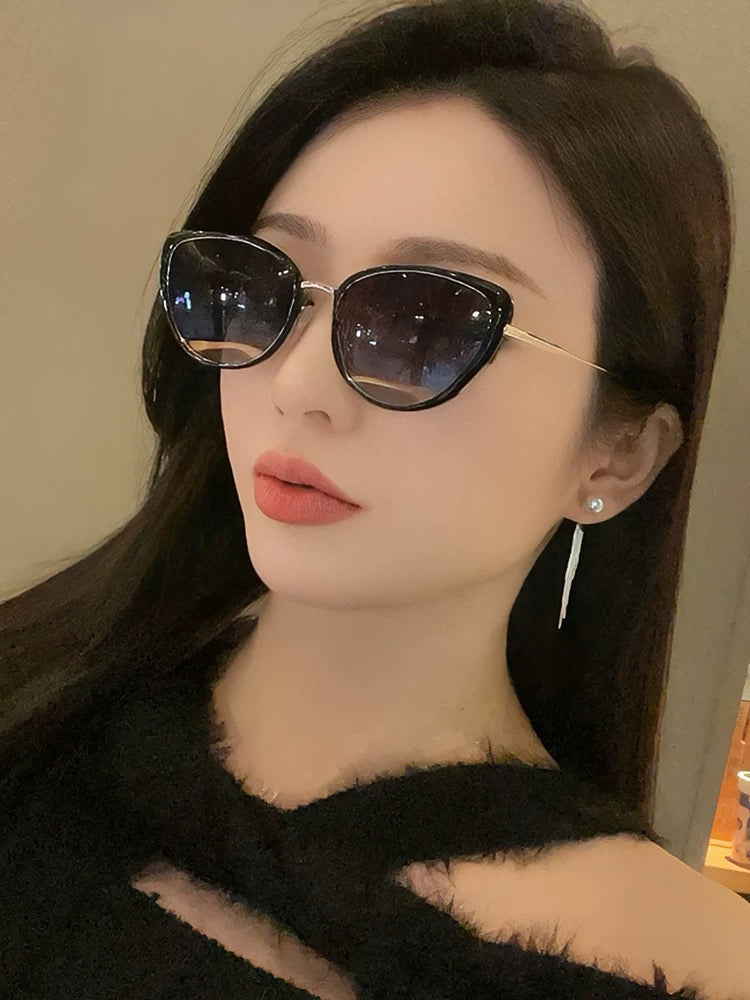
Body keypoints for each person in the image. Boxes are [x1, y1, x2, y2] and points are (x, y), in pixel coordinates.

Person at [1, 0, 748, 997]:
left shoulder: (690, 963)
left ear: (616, 456)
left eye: (425, 322)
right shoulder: (38, 712)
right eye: (268, 287)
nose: (296, 383)